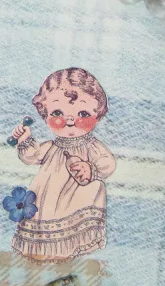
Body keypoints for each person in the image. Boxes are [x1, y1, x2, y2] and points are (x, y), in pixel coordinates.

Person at [9, 67, 115, 263]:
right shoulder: (52, 147)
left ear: (98, 114)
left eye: (83, 113)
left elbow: (107, 164)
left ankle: (67, 257)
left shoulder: (92, 146)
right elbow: (31, 157)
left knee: (70, 237)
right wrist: (25, 140)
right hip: (48, 198)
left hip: (78, 196)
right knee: (46, 225)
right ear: (45, 114)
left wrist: (90, 169)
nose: (70, 121)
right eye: (58, 113)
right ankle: (42, 255)